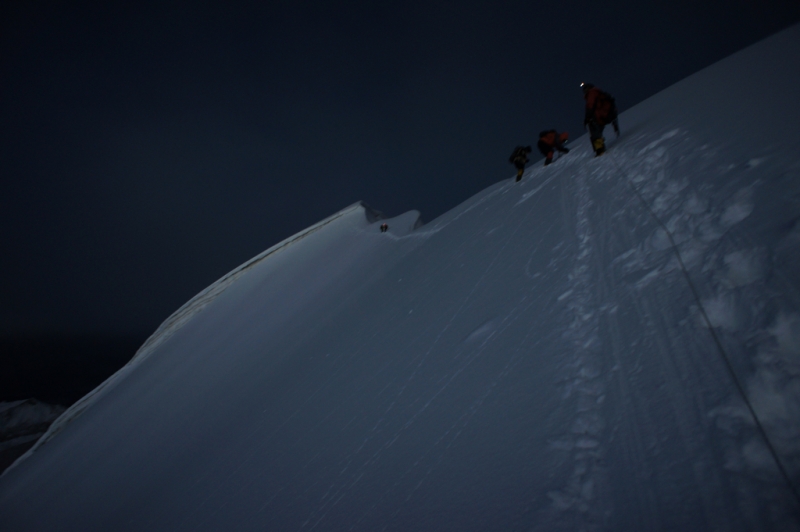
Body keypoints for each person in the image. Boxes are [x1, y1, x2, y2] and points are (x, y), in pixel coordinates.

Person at [581, 82, 619, 157]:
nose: (584, 91)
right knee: (597, 133)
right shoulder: (598, 93)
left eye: (585, 89)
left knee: (595, 133)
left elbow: (590, 106)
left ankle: (600, 151)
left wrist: (587, 118)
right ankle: (600, 148)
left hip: (598, 117)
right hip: (603, 116)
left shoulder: (591, 93)